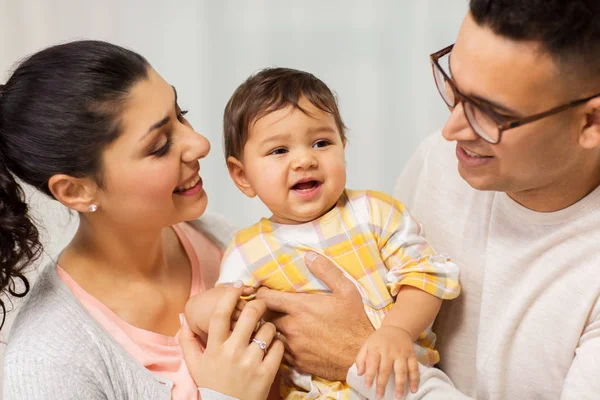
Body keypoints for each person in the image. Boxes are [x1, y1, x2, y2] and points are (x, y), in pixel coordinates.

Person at [252, 1, 600, 399]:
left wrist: (358, 360)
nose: (451, 130)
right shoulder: (442, 162)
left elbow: (359, 345)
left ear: (590, 122)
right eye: (454, 87)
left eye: (490, 113)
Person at [0, 40, 284, 400]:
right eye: (160, 145)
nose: (200, 144)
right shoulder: (49, 359)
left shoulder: (224, 241)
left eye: (181, 113)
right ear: (75, 191)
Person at [184, 67, 461, 400]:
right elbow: (223, 315)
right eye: (279, 151)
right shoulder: (248, 250)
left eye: (321, 142)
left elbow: (425, 277)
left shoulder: (375, 212)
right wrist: (204, 307)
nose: (304, 159)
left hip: (401, 384)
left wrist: (396, 331)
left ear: (342, 146)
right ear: (242, 175)